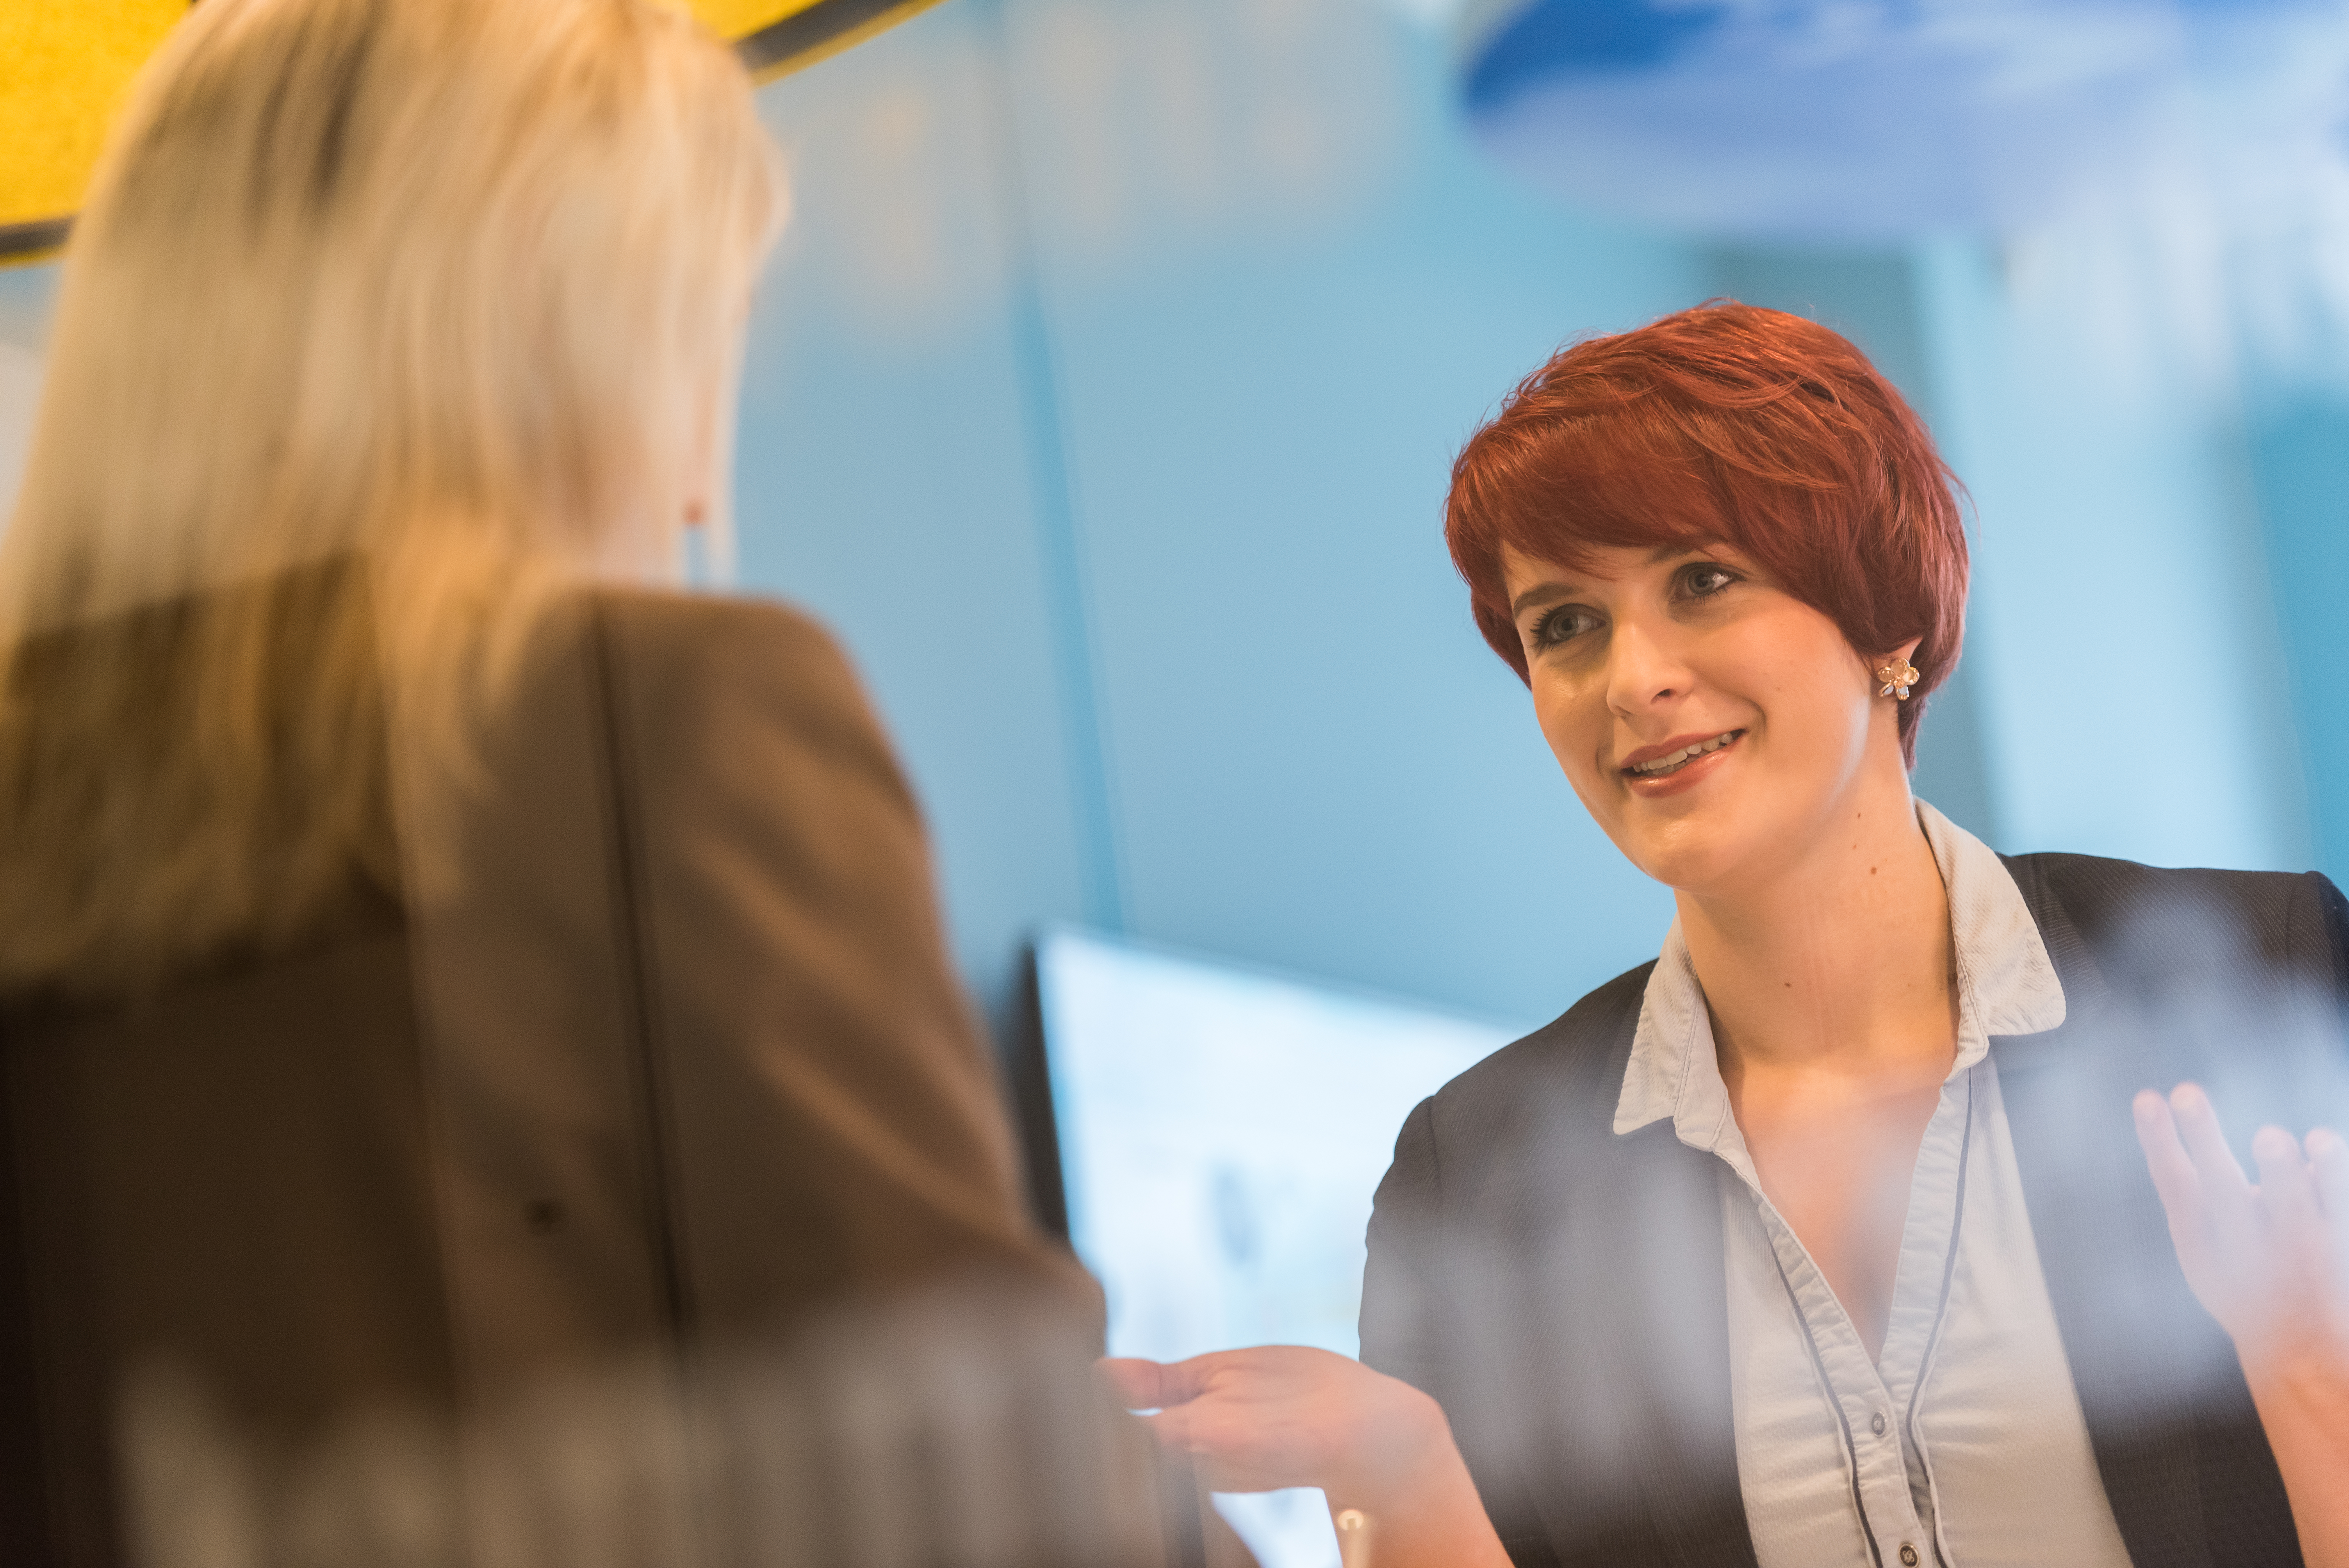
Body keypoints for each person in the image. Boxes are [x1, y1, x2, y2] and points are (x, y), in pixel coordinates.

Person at [0, 1, 1144, 1563]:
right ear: (554, 348)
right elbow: (989, 1478)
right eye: (697, 350)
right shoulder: (656, 720)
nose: (693, 479)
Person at [1105, 303, 2349, 1568]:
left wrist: (2311, 1380)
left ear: (1886, 625)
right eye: (1564, 625)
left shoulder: (2273, 976)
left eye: (1702, 581)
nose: (1631, 677)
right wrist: (1405, 1468)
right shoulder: (1470, 1176)